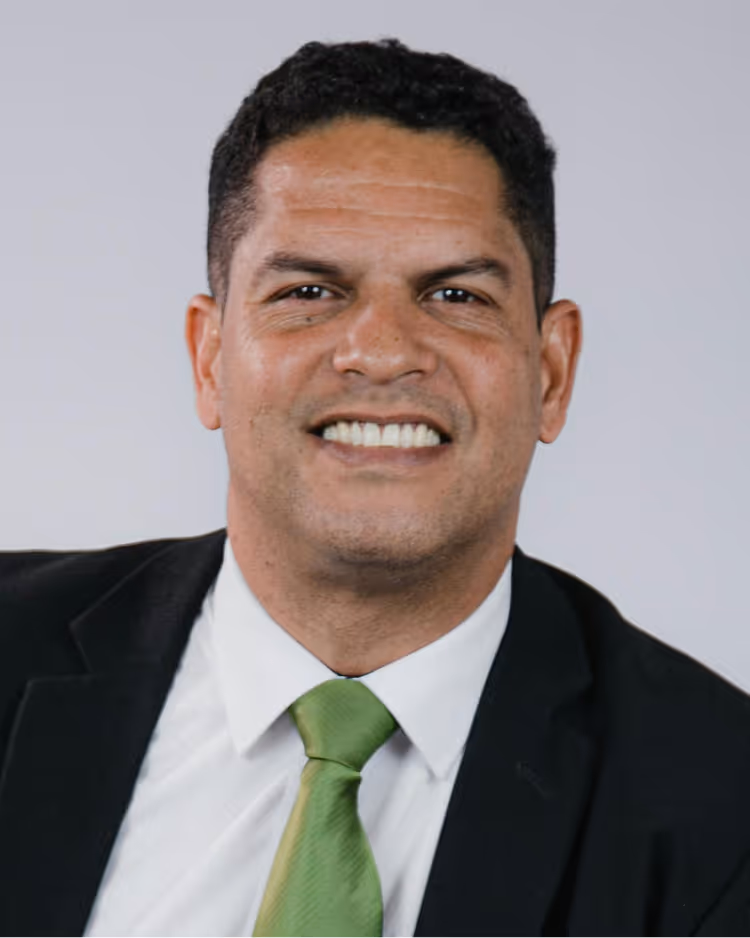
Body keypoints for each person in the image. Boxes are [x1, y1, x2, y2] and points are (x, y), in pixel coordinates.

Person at [1, 37, 749, 938]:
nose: (385, 352)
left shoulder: (721, 808)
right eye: (310, 289)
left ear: (551, 372)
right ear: (209, 359)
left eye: (457, 296)